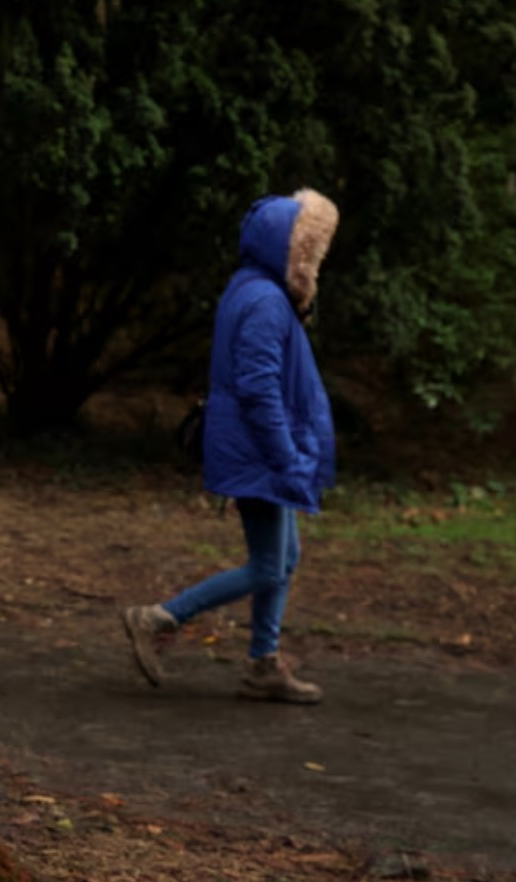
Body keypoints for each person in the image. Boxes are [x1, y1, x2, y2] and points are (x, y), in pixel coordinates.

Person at [122, 189, 339, 704]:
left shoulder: (255, 289)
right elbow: (259, 385)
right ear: (288, 250)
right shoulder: (264, 300)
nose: (312, 265)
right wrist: (285, 457)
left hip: (257, 446)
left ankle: (263, 664)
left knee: (284, 555)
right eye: (308, 253)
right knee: (268, 563)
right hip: (259, 450)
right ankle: (158, 617)